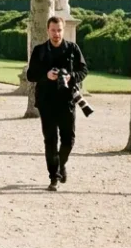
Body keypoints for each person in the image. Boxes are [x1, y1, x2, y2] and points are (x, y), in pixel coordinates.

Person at [26, 16, 88, 192]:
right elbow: (30, 75)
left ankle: (61, 164)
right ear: (48, 30)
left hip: (68, 100)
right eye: (53, 30)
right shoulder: (39, 50)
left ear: (63, 29)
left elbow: (84, 69)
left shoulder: (72, 48)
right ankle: (53, 176)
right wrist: (46, 75)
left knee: (69, 139)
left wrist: (71, 77)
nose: (56, 33)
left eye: (59, 30)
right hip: (46, 101)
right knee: (50, 140)